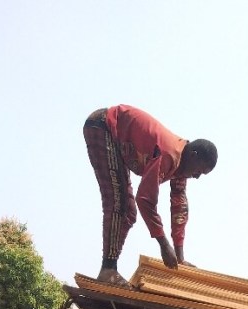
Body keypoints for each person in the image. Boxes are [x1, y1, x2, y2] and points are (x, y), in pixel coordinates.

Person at [83, 105, 218, 288]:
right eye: (199, 171)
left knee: (128, 213)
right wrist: (163, 244)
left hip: (116, 138)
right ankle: (108, 270)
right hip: (104, 126)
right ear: (193, 155)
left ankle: (109, 268)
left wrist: (180, 258)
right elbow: (145, 200)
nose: (196, 177)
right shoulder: (169, 154)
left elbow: (179, 207)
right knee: (119, 202)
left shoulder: (181, 167)